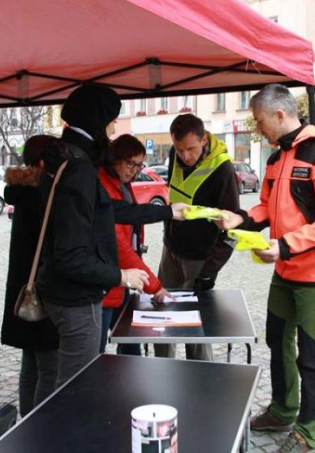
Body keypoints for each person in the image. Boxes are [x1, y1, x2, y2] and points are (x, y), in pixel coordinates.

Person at [218, 84, 315, 453]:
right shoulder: (277, 159)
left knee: (310, 354)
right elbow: (266, 208)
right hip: (285, 271)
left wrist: (285, 245)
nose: (258, 129)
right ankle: (282, 409)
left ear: (280, 114)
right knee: (277, 342)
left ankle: (307, 432)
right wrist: (240, 218)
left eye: (260, 121)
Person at [35, 84, 184, 389]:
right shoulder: (78, 166)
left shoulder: (66, 157)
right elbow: (71, 256)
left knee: (54, 382)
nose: (114, 128)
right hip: (76, 298)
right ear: (98, 120)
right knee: (74, 390)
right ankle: (70, 437)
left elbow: (109, 210)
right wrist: (121, 276)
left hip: (62, 293)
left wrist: (168, 213)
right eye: (112, 120)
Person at [153, 113, 240, 362]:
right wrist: (168, 238)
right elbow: (174, 199)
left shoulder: (223, 170)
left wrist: (209, 272)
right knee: (163, 317)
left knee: (195, 327)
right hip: (171, 251)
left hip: (200, 259)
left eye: (190, 149)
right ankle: (161, 370)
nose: (185, 156)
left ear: (204, 140)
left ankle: (202, 378)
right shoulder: (174, 154)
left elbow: (231, 230)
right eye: (179, 149)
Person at [0, 134, 60, 416]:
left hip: (22, 287)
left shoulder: (23, 190)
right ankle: (41, 432)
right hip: (40, 289)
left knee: (31, 364)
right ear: (44, 161)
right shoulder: (42, 195)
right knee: (48, 366)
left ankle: (27, 423)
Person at [98, 134, 172, 354]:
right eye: (130, 163)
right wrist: (154, 286)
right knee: (95, 356)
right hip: (107, 285)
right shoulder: (105, 185)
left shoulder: (121, 183)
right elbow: (119, 245)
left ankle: (128, 386)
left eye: (139, 164)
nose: (135, 170)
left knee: (131, 343)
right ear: (115, 159)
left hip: (119, 284)